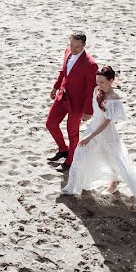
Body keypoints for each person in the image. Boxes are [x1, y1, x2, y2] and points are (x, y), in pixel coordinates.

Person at [61, 66, 136, 206]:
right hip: (92, 127)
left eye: (102, 82)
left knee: (113, 160)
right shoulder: (96, 90)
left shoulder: (114, 99)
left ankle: (114, 183)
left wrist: (90, 137)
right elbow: (95, 110)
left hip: (105, 133)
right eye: (97, 81)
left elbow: (106, 123)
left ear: (111, 81)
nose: (99, 85)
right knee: (80, 154)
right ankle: (72, 186)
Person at [46, 32, 98, 172]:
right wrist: (55, 87)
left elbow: (91, 89)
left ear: (84, 45)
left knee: (72, 132)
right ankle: (63, 149)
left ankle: (71, 160)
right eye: (72, 45)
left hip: (77, 103)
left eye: (77, 47)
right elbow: (63, 72)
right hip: (62, 96)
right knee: (50, 123)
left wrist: (88, 111)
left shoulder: (90, 64)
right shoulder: (67, 51)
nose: (74, 49)